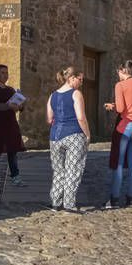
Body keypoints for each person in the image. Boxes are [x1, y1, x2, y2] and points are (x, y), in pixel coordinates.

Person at [103, 60, 132, 209]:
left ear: (123, 70)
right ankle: (131, 199)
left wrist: (113, 106)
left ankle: (114, 200)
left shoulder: (120, 85)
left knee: (118, 163)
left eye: (118, 72)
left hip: (125, 126)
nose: (118, 75)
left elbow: (121, 108)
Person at [47, 66, 91, 212]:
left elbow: (49, 118)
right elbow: (80, 117)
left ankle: (55, 202)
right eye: (80, 79)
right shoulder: (76, 94)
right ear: (72, 78)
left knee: (58, 170)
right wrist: (88, 134)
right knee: (73, 169)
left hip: (55, 137)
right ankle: (69, 204)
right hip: (74, 135)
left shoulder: (52, 95)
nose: (81, 83)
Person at [0, 64, 25, 187]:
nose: (5, 75)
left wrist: (20, 105)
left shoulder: (11, 90)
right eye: (3, 73)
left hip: (10, 124)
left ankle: (15, 176)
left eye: (6, 73)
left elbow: (17, 107)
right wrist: (7, 106)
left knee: (12, 151)